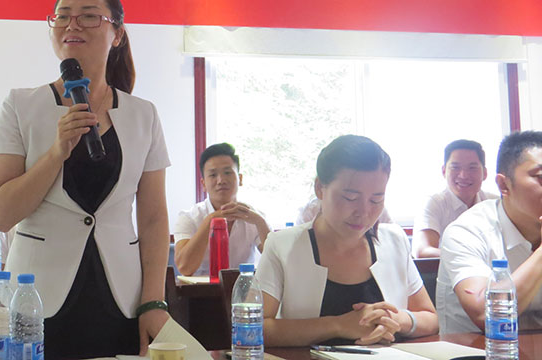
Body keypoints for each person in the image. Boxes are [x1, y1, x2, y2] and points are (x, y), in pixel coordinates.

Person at [0, 0, 170, 359]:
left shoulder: (143, 115)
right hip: (35, 296)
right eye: (62, 17)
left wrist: (154, 301)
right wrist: (57, 152)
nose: (72, 25)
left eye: (88, 17)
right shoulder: (21, 106)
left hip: (120, 296)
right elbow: (0, 214)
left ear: (117, 33)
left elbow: (153, 218)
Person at [257, 135, 438, 346]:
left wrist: (397, 320)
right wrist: (338, 325)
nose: (363, 211)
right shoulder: (282, 245)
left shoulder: (394, 241)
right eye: (350, 198)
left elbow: (430, 318)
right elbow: (255, 328)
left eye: (376, 199)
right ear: (320, 188)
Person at [437, 130, 542, 334]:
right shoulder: (466, 231)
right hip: (476, 348)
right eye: (540, 177)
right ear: (504, 184)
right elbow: (487, 314)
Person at [173, 142, 270, 276]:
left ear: (240, 179)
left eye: (227, 173)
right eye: (213, 175)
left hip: (243, 287)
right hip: (200, 289)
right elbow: (185, 268)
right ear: (203, 184)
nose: (221, 180)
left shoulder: (254, 217)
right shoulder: (188, 218)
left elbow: (276, 262)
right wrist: (211, 220)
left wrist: (260, 222)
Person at [413, 139, 496, 258]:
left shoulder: (494, 203)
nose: (463, 175)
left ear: (485, 173)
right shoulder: (434, 203)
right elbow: (422, 251)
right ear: (444, 171)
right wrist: (470, 258)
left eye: (472, 168)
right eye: (455, 167)